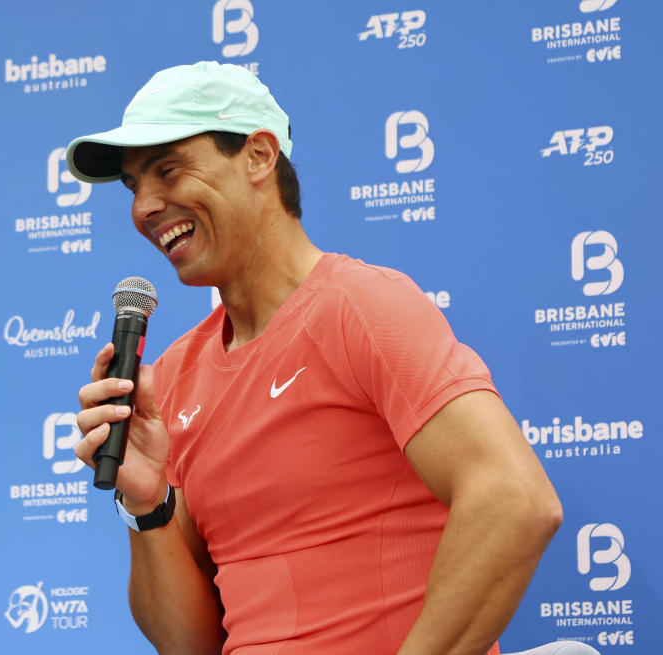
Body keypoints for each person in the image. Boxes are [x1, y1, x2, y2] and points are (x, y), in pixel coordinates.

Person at [66, 61, 562, 655]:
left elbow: (516, 500)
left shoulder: (360, 306)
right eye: (133, 186)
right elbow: (189, 643)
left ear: (258, 155)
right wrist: (146, 504)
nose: (144, 206)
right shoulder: (170, 375)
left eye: (167, 170)